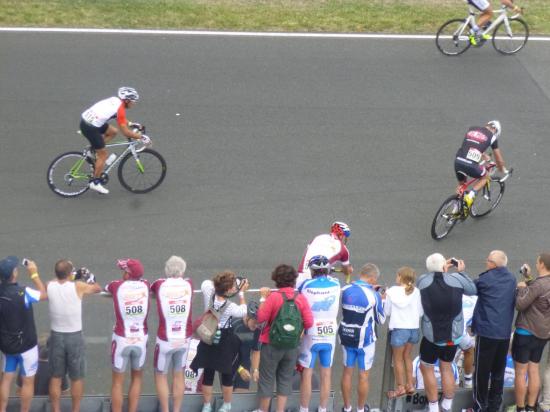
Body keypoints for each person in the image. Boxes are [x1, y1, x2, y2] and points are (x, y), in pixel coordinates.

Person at [417, 253, 477, 412]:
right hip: (453, 337)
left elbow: (431, 274)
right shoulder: (457, 279)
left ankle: (433, 406)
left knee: (427, 368)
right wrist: (461, 272)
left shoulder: (422, 281)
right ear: (445, 267)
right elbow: (472, 289)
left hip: (432, 337)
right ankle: (447, 403)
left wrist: (442, 267)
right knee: (446, 367)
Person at [255, 264, 314, 412]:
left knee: (266, 379)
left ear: (276, 280)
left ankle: (263, 410)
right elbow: (309, 322)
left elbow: (261, 318)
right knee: (285, 379)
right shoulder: (300, 298)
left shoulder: (273, 298)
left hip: (271, 344)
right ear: (294, 280)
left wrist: (263, 299)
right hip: (292, 346)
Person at [46, 260, 101, 412]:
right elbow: (97, 288)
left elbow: (56, 281)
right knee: (76, 377)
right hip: (75, 337)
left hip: (56, 336)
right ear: (70, 274)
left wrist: (71, 276)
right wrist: (89, 276)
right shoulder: (79, 286)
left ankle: (55, 410)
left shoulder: (50, 285)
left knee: (56, 377)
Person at [191, 271, 249, 412]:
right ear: (228, 290)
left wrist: (222, 284)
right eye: (232, 287)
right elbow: (243, 311)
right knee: (227, 374)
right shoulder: (230, 306)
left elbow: (206, 283)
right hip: (225, 339)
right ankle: (226, 406)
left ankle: (206, 406)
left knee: (208, 373)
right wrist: (241, 293)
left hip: (209, 337)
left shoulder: (209, 292)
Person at [470, 250, 516, 412]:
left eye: (488, 260)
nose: (486, 262)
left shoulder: (485, 279)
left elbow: (470, 288)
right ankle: (495, 405)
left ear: (493, 264)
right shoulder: (512, 279)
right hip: (503, 334)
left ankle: (480, 406)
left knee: (481, 372)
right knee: (498, 371)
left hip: (487, 333)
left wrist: (461, 273)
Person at [80, 86, 148, 194]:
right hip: (91, 128)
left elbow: (119, 117)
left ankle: (93, 150)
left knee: (113, 132)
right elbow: (125, 132)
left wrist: (131, 124)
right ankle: (95, 182)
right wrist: (142, 137)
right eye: (133, 101)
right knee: (103, 155)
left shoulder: (115, 100)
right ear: (127, 100)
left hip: (88, 122)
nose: (134, 104)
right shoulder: (120, 108)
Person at [0, 256, 47, 412]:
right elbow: (44, 294)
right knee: (28, 382)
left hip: (7, 346)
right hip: (27, 347)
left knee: (6, 380)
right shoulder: (23, 292)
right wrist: (34, 273)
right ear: (14, 273)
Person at [339, 263, 386, 412]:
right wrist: (381, 299)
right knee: (363, 375)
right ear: (372, 279)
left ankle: (347, 408)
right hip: (366, 340)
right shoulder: (374, 295)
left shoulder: (345, 289)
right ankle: (360, 409)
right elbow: (381, 320)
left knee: (347, 372)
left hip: (346, 336)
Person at [105, 258, 150, 412]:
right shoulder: (146, 285)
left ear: (127, 274)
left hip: (121, 340)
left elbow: (106, 287)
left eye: (124, 270)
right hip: (140, 340)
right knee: (137, 378)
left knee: (117, 382)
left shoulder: (116, 286)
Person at [297, 256, 341, 412]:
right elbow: (331, 278)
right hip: (329, 332)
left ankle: (304, 409)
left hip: (311, 332)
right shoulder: (336, 284)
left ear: (312, 270)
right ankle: (323, 409)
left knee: (307, 374)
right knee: (326, 374)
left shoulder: (306, 284)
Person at [150, 256, 193, 412]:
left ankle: (165, 409)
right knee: (179, 374)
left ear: (166, 270)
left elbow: (150, 289)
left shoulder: (160, 284)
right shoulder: (189, 283)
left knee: (161, 374)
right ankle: (176, 410)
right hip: (184, 338)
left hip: (165, 339)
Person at [512, 252, 550, 412]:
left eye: (537, 262)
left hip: (526, 332)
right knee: (534, 369)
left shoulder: (538, 285)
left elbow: (520, 305)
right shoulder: (541, 284)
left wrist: (521, 289)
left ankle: (520, 408)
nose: (536, 264)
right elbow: (539, 293)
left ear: (542, 264)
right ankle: (531, 407)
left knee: (521, 372)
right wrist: (529, 279)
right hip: (542, 334)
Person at [385, 266, 422, 398]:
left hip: (400, 328)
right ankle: (410, 385)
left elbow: (387, 312)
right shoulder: (416, 291)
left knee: (398, 359)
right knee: (407, 357)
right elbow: (421, 312)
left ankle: (400, 387)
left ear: (401, 276)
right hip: (413, 329)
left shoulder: (391, 292)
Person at [454, 120, 508, 210]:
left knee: (462, 185)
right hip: (470, 165)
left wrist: (483, 155)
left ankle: (455, 207)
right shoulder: (492, 137)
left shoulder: (472, 129)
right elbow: (499, 159)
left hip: (458, 161)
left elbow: (471, 145)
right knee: (486, 177)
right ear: (495, 130)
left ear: (487, 124)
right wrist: (502, 168)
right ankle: (470, 195)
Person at [459, 293, 478, 389]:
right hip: (461, 333)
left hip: (447, 330)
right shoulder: (476, 299)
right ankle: (468, 381)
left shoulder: (457, 293)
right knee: (470, 349)